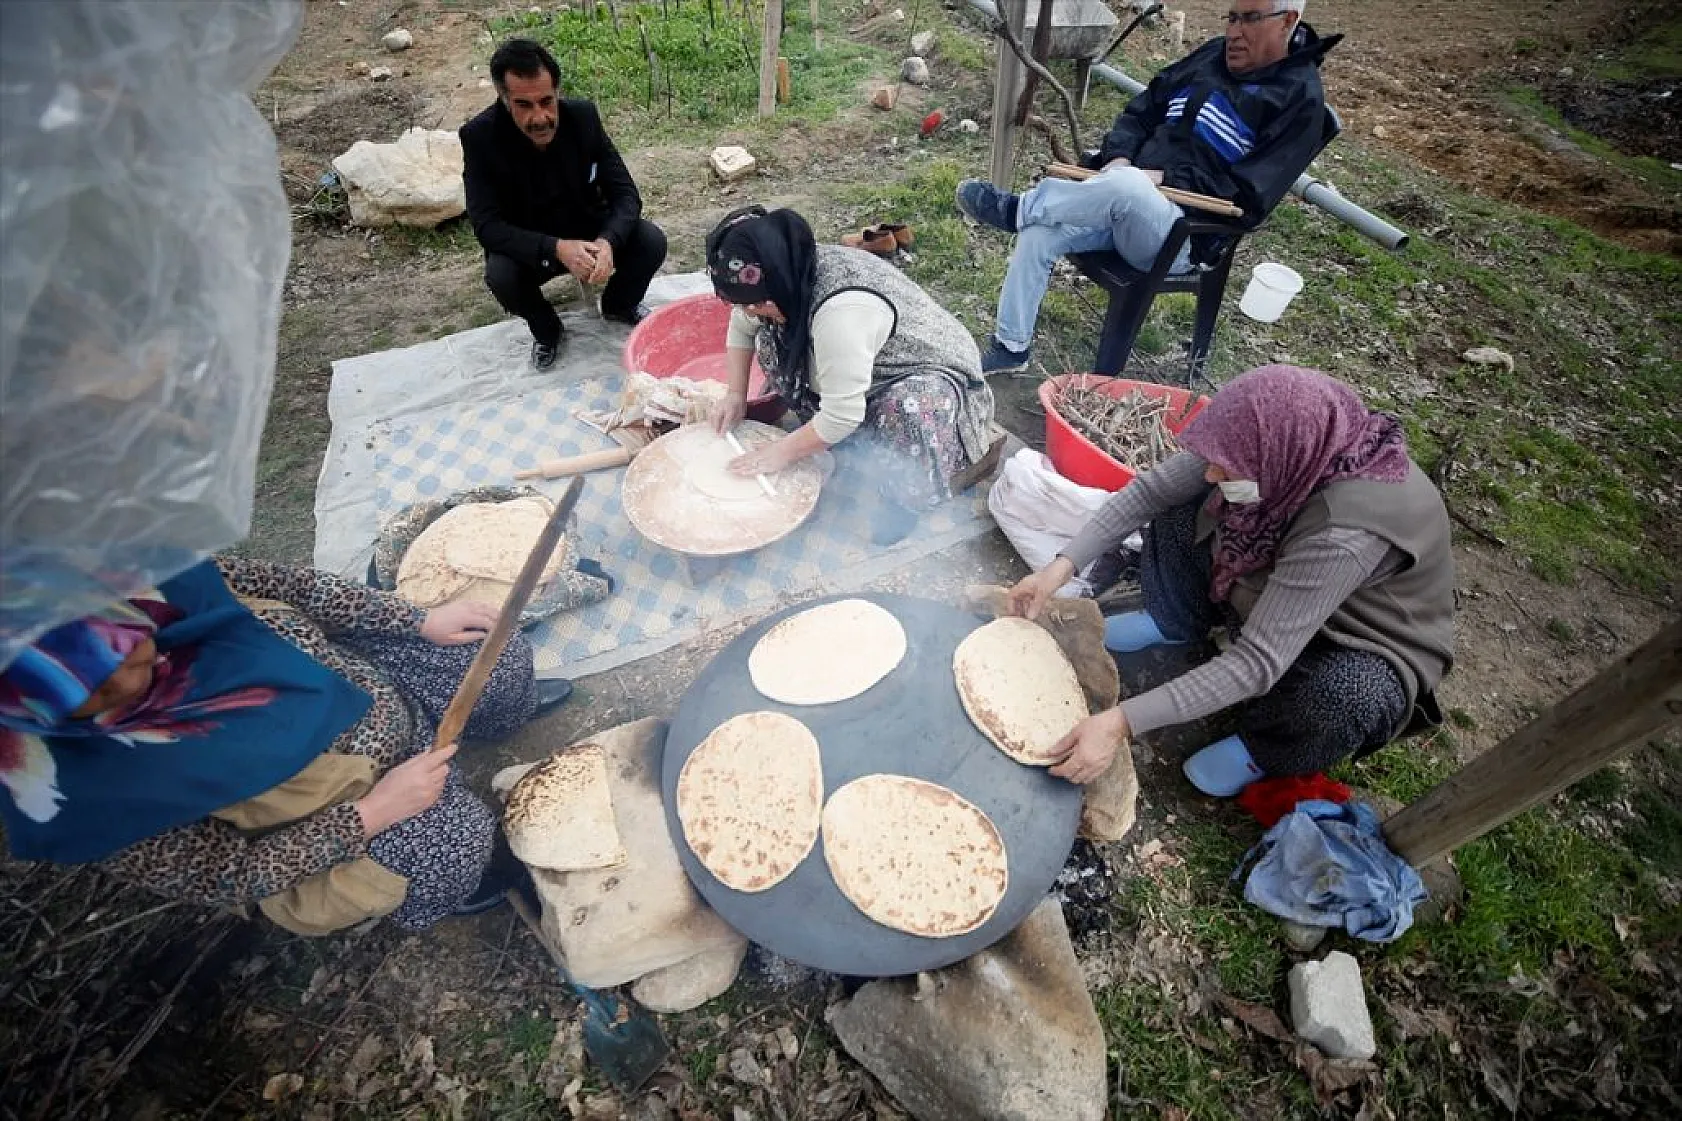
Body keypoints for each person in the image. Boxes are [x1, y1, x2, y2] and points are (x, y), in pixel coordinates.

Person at [0, 557, 573, 935]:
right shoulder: (81, 797)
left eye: (128, 643)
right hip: (336, 815)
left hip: (371, 686)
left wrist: (416, 620)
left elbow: (288, 585)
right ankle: (449, 893)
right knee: (455, 841)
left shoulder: (151, 581)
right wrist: (373, 813)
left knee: (497, 656)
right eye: (98, 690)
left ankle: (493, 721)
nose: (136, 675)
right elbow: (228, 875)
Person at [1009, 366, 1453, 796]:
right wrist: (1058, 569)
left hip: (1352, 632)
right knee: (1186, 503)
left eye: (1228, 468)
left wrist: (1120, 722)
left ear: (1281, 459)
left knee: (1348, 695)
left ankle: (1263, 749)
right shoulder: (1283, 443)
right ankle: (1174, 618)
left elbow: (1258, 662)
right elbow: (1149, 492)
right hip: (1281, 577)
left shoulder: (1344, 534)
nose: (1212, 473)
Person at [955, 0, 1338, 373]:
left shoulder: (1300, 99)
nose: (1235, 32)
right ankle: (1011, 346)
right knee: (1040, 233)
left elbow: (1251, 194)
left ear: (1287, 20)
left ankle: (1016, 209)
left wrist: (1164, 181)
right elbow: (1144, 108)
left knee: (1125, 187)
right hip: (1127, 201)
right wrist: (1119, 156)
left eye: (1250, 19)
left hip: (1180, 236)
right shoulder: (1211, 56)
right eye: (1231, 18)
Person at [704, 206, 997, 544]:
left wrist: (779, 453)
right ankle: (832, 438)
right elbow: (742, 327)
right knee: (770, 343)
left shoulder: (840, 312)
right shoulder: (786, 273)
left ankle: (905, 501)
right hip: (863, 360)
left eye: (755, 305)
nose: (749, 312)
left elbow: (843, 414)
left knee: (908, 408)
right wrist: (735, 395)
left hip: (931, 374)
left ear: (776, 284)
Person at [460, 38, 668, 371]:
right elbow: (487, 227)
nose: (540, 117)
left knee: (651, 241)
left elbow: (626, 194)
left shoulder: (583, 117)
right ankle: (547, 330)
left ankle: (618, 305)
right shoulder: (479, 137)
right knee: (501, 275)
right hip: (531, 244)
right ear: (504, 99)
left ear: (557, 91)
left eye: (546, 101)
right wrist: (556, 248)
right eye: (524, 105)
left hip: (586, 229)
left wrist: (608, 241)